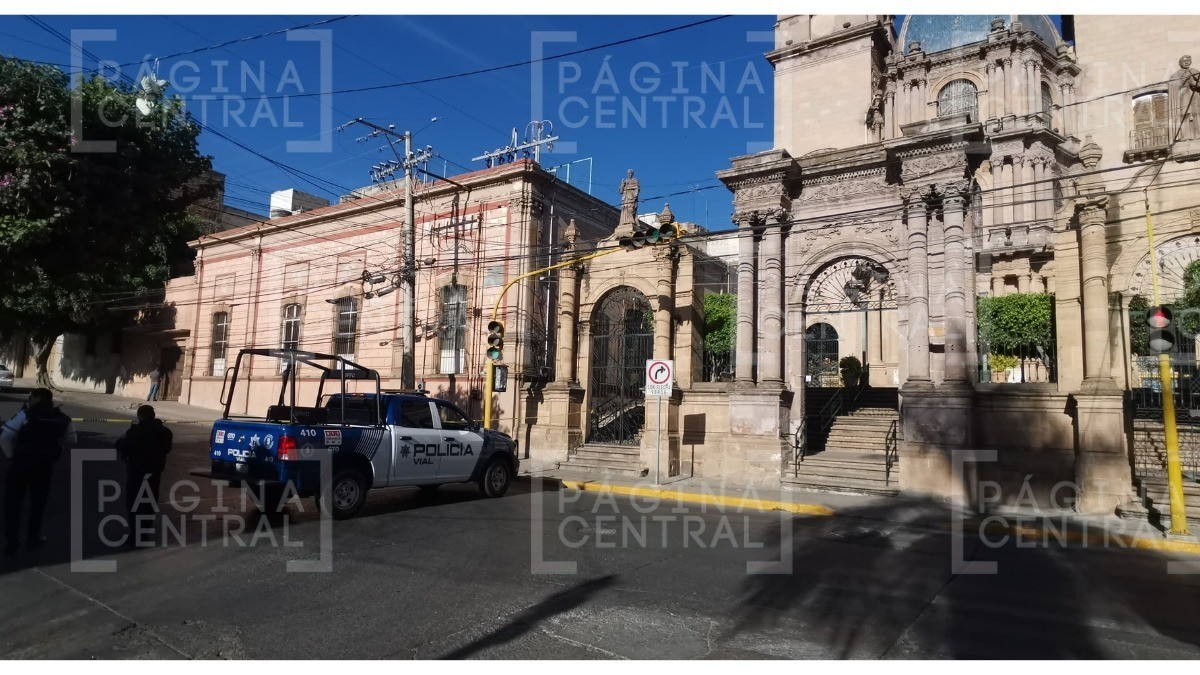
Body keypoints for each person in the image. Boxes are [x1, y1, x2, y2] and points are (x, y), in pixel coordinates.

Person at [0, 388, 76, 554]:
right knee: (38, 504)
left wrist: (11, 456)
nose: (29, 400)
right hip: (45, 466)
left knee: (13, 503)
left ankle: (12, 540)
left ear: (38, 398)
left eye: (31, 397)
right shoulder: (63, 418)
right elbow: (72, 439)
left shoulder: (26, 415)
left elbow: (5, 436)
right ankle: (33, 538)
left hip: (21, 465)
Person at [114, 405, 173, 532]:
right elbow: (167, 449)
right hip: (155, 472)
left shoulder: (135, 431)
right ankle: (145, 529)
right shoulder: (166, 432)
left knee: (134, 502)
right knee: (150, 502)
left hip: (136, 472)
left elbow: (119, 445)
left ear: (140, 416)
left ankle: (135, 531)